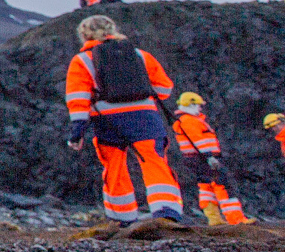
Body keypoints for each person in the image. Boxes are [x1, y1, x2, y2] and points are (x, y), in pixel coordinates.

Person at [64, 14, 182, 223]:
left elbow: (78, 98)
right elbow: (165, 89)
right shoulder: (139, 55)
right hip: (145, 117)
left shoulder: (82, 60)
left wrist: (77, 132)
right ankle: (166, 213)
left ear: (84, 35)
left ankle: (122, 218)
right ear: (113, 29)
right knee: (155, 162)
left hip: (109, 120)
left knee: (115, 168)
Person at [169, 92, 248, 224]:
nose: (200, 108)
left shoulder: (186, 120)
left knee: (206, 187)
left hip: (196, 159)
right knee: (222, 185)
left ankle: (214, 219)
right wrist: (209, 157)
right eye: (198, 105)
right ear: (191, 104)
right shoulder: (189, 120)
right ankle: (236, 219)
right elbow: (198, 141)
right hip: (203, 159)